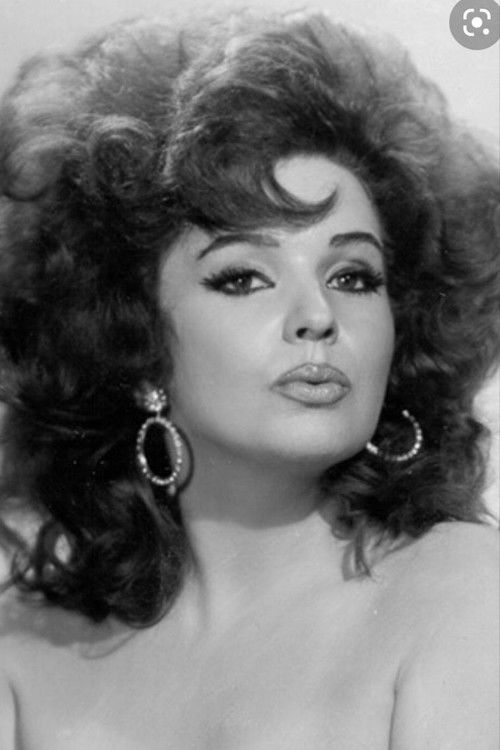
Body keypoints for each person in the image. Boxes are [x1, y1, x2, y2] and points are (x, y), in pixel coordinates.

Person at [0, 9, 498, 749]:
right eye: (242, 278)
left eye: (354, 276)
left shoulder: (466, 596)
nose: (318, 316)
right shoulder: (24, 653)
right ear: (128, 341)